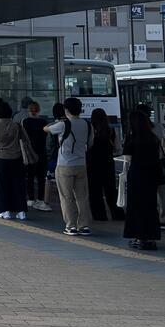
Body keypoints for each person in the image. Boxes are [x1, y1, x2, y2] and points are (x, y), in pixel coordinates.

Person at [46, 96, 91, 236]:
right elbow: (90, 144)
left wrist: (58, 121)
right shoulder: (87, 124)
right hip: (81, 164)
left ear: (66, 110)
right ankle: (83, 226)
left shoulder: (63, 124)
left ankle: (70, 226)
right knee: (82, 196)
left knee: (66, 197)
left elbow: (45, 129)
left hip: (65, 165)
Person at [122, 108, 164, 251]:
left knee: (136, 206)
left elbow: (127, 158)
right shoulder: (153, 138)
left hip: (137, 174)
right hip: (152, 175)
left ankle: (139, 238)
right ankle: (151, 238)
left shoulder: (132, 138)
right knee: (151, 207)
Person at [137, 102, 165, 230]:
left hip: (143, 166)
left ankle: (150, 219)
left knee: (147, 194)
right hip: (159, 164)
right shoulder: (159, 127)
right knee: (163, 194)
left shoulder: (136, 129)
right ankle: (163, 219)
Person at [0, 98, 29, 221]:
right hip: (16, 157)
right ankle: (21, 211)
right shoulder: (16, 125)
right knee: (18, 184)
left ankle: (5, 210)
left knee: (1, 185)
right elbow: (25, 139)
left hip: (0, 157)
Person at [86, 108, 123, 221]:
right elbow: (118, 149)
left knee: (95, 191)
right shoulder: (111, 131)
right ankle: (117, 214)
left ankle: (99, 215)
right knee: (110, 190)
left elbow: (88, 146)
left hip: (92, 164)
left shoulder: (90, 130)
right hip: (108, 163)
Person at [21, 101, 53, 212]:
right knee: (41, 178)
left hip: (30, 153)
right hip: (41, 153)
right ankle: (40, 199)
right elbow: (46, 136)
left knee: (29, 176)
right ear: (38, 110)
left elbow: (23, 137)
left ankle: (30, 198)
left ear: (28, 110)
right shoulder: (44, 122)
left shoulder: (25, 121)